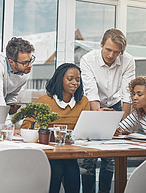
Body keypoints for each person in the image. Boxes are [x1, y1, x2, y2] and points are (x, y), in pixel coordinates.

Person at [80, 28, 135, 193]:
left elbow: (127, 94)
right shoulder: (88, 59)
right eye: (108, 50)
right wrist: (98, 118)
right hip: (93, 104)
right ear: (101, 44)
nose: (111, 55)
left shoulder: (128, 60)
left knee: (110, 157)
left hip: (115, 105)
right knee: (90, 157)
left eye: (116, 52)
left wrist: (122, 125)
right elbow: (91, 92)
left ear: (122, 52)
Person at [21, 63, 90, 193]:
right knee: (58, 166)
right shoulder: (45, 101)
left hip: (70, 151)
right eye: (70, 79)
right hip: (49, 152)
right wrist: (41, 127)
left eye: (78, 79)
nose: (75, 83)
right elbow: (26, 125)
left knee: (70, 168)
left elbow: (86, 129)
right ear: (60, 79)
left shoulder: (83, 101)